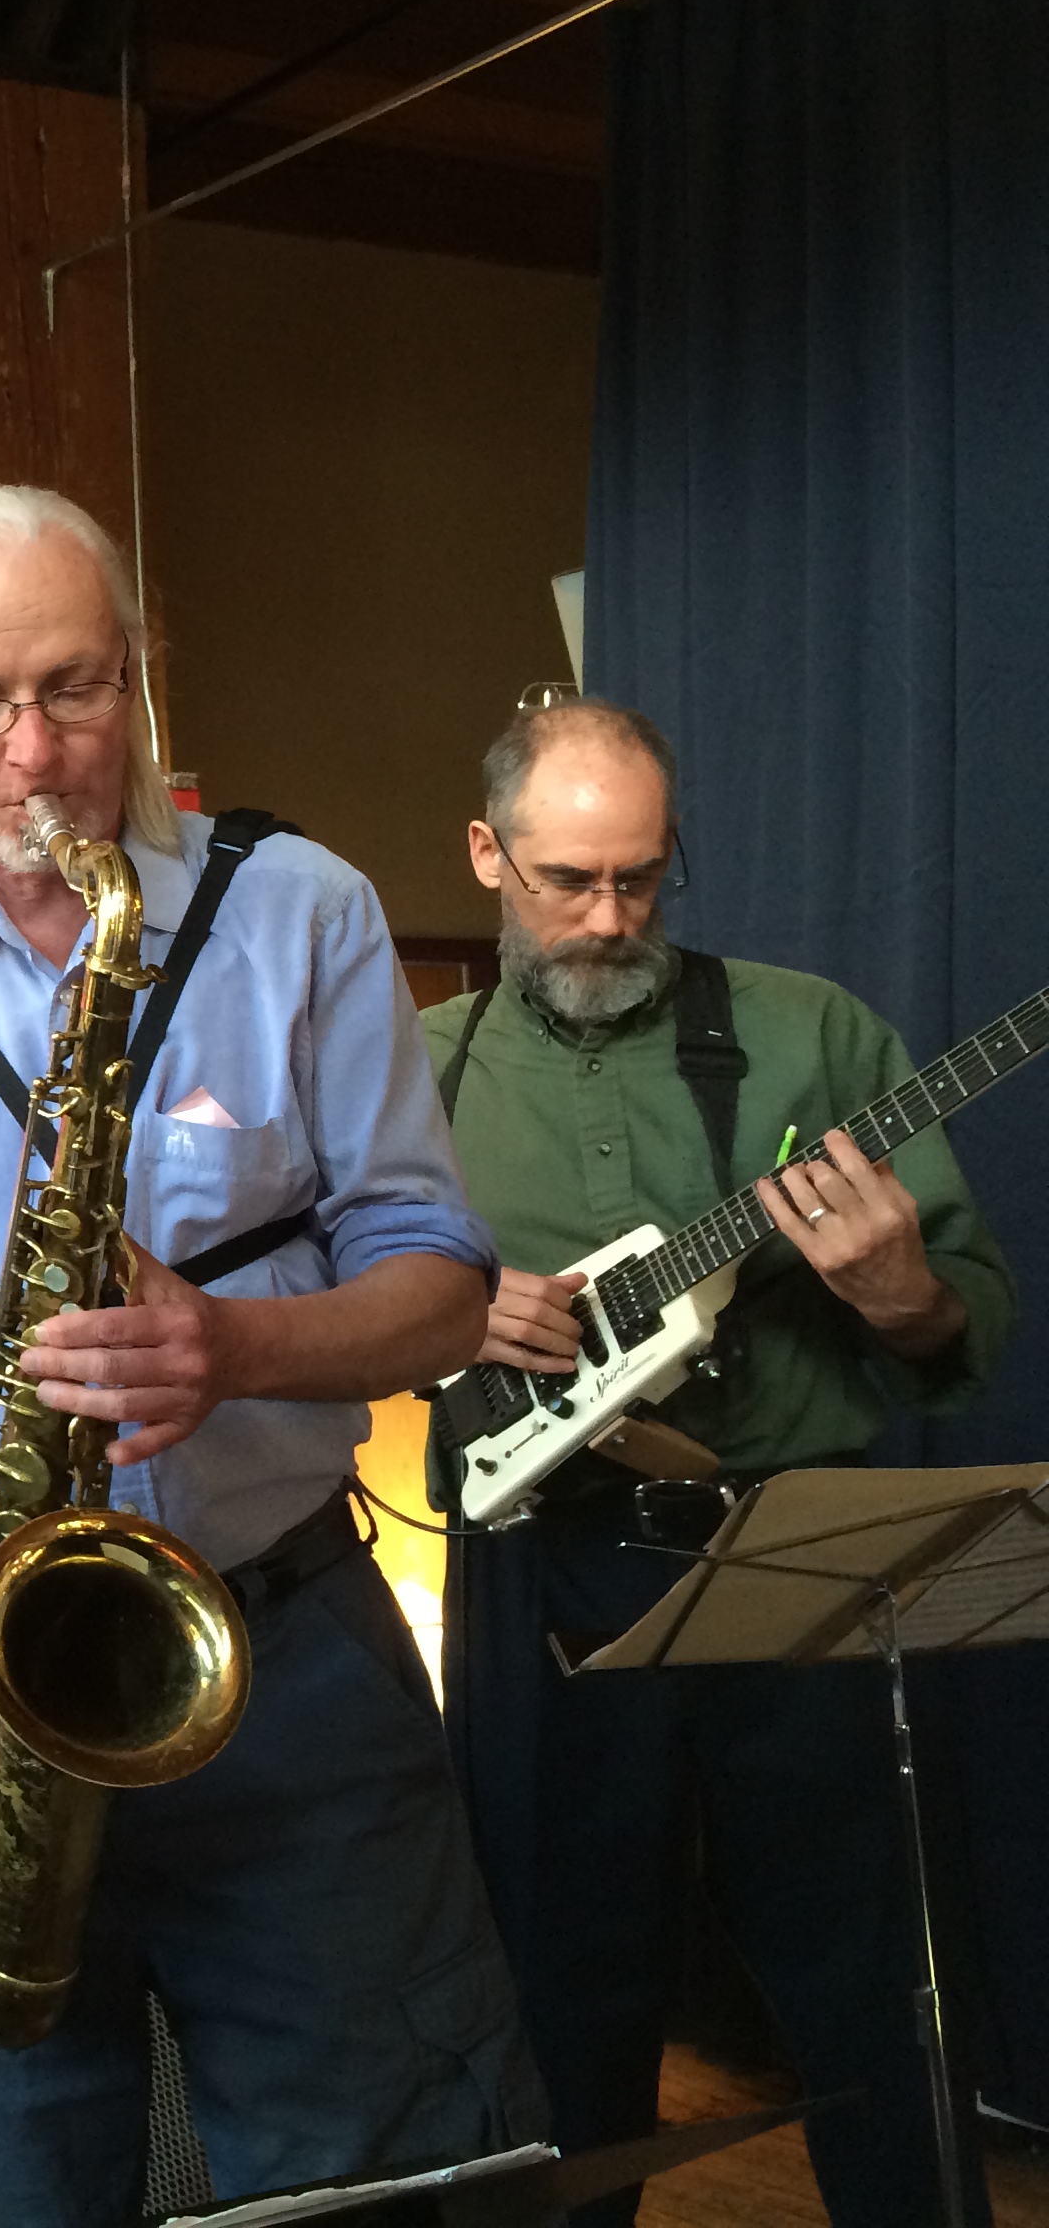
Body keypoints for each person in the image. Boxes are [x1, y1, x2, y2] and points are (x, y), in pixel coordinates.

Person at [0, 485, 547, 2227]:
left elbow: (438, 1288)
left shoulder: (302, 911)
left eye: (75, 687)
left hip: (287, 1657)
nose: (34, 753)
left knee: (388, 2183)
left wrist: (232, 1342)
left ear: (139, 667)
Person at [425, 697, 1014, 2228]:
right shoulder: (410, 1076)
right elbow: (323, 1304)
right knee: (560, 1987)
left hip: (793, 1553)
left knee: (864, 1975)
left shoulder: (816, 1034)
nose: (610, 917)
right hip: (543, 1568)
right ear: (488, 854)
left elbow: (966, 1316)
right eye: (568, 880)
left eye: (641, 876)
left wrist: (902, 1291)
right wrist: (442, 1311)